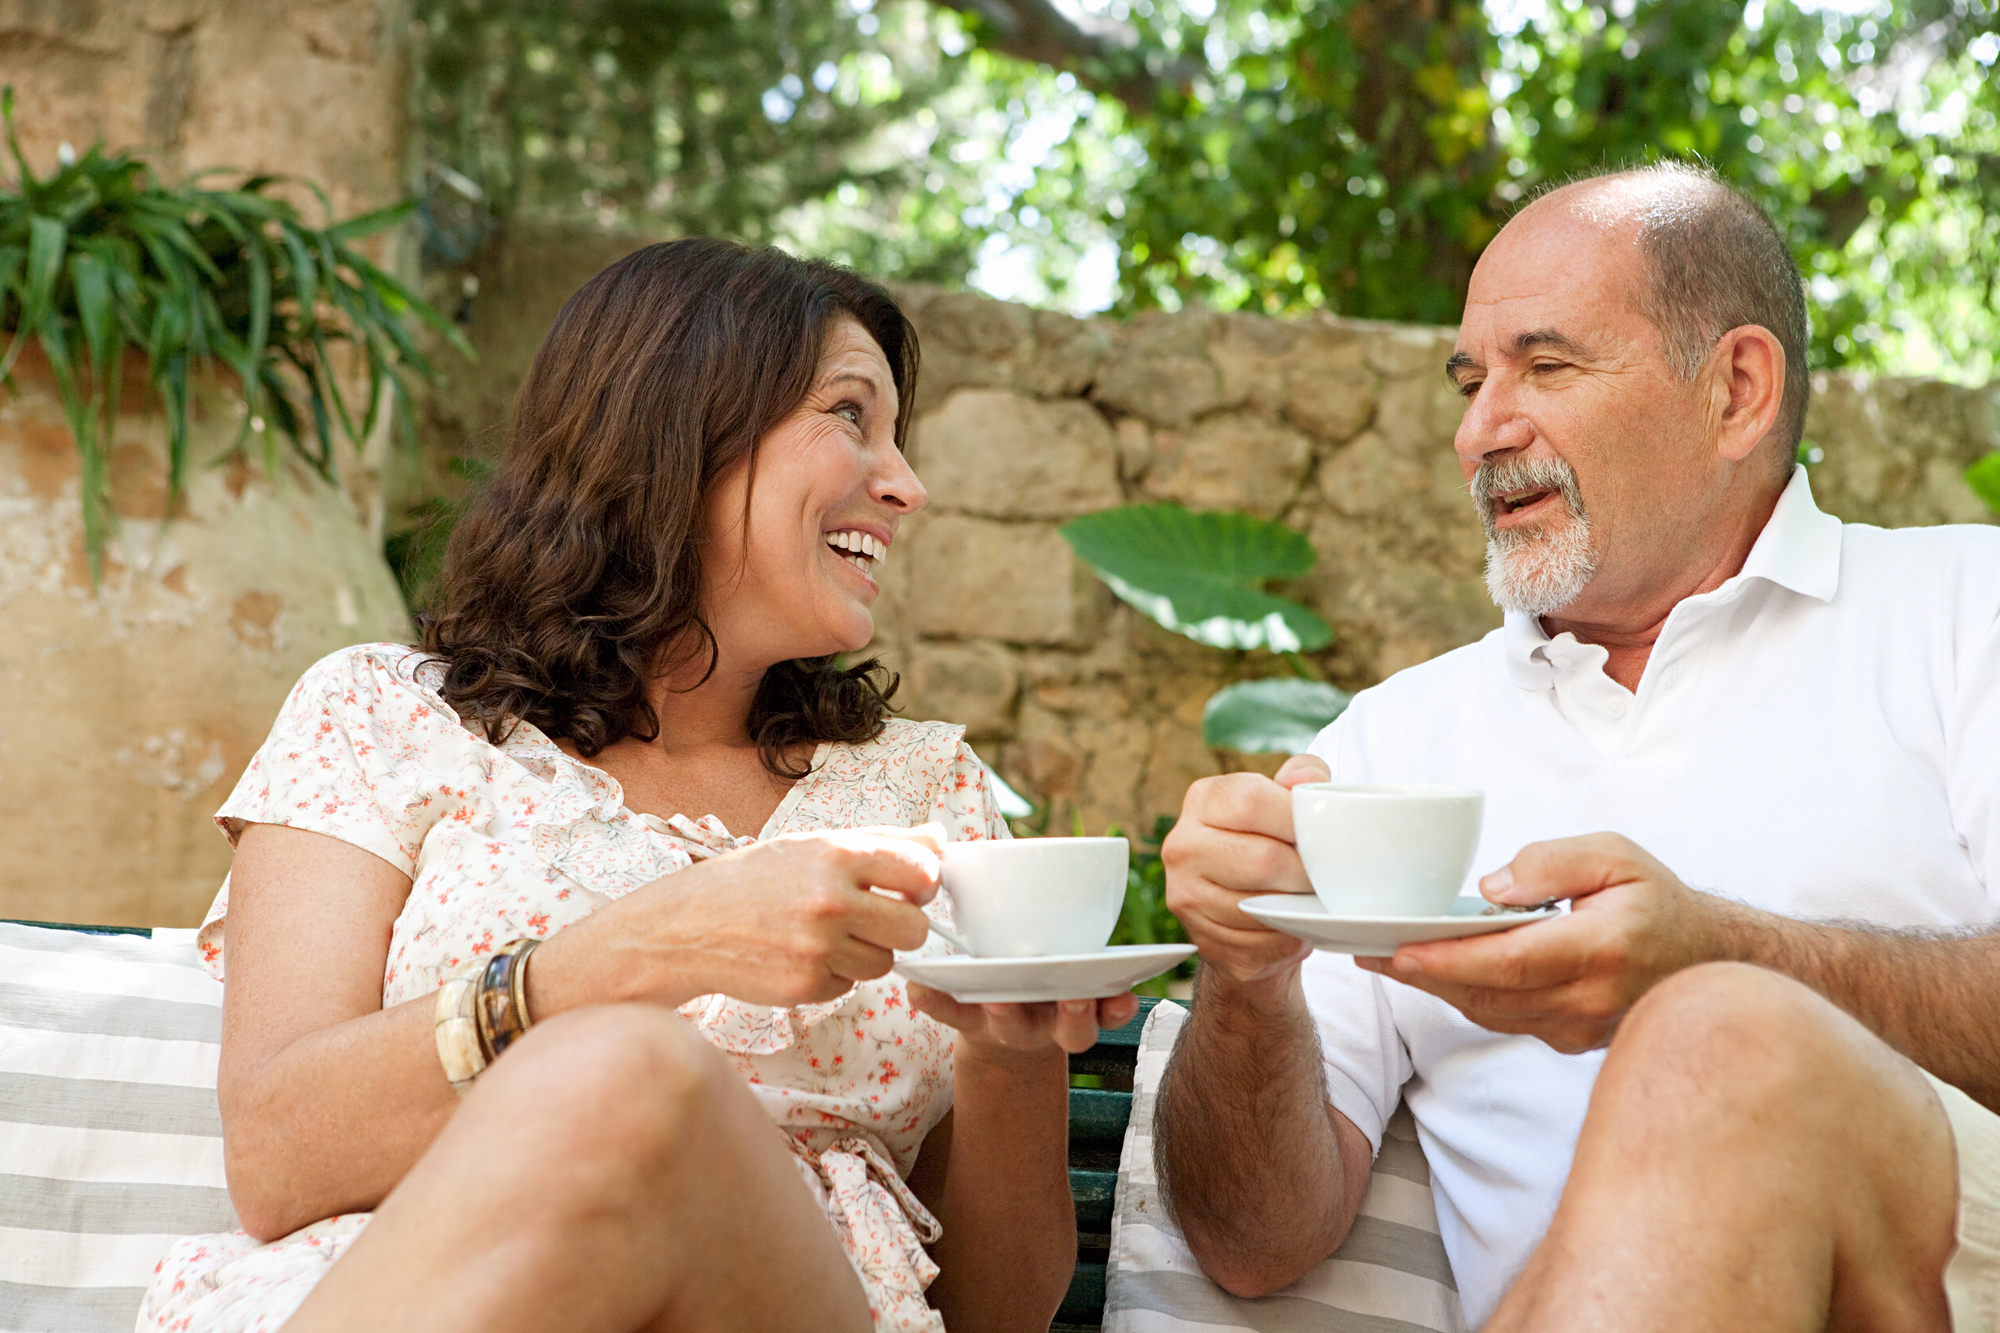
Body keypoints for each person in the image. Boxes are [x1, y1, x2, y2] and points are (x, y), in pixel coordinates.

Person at [138, 239, 1138, 1333]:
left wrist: (1006, 1059)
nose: (906, 486)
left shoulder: (926, 788)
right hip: (421, 1291)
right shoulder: (380, 716)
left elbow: (996, 1317)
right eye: (851, 416)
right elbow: (278, 1153)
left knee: (638, 1076)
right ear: (677, 432)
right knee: (628, 1069)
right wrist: (651, 946)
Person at [1155, 162, 2000, 1332]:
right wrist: (1247, 982)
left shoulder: (1968, 609)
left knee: (1717, 1031)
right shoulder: (1387, 747)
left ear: (1735, 390)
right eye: (1470, 381)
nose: (1479, 430)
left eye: (1544, 366)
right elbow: (1252, 1247)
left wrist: (1720, 953)